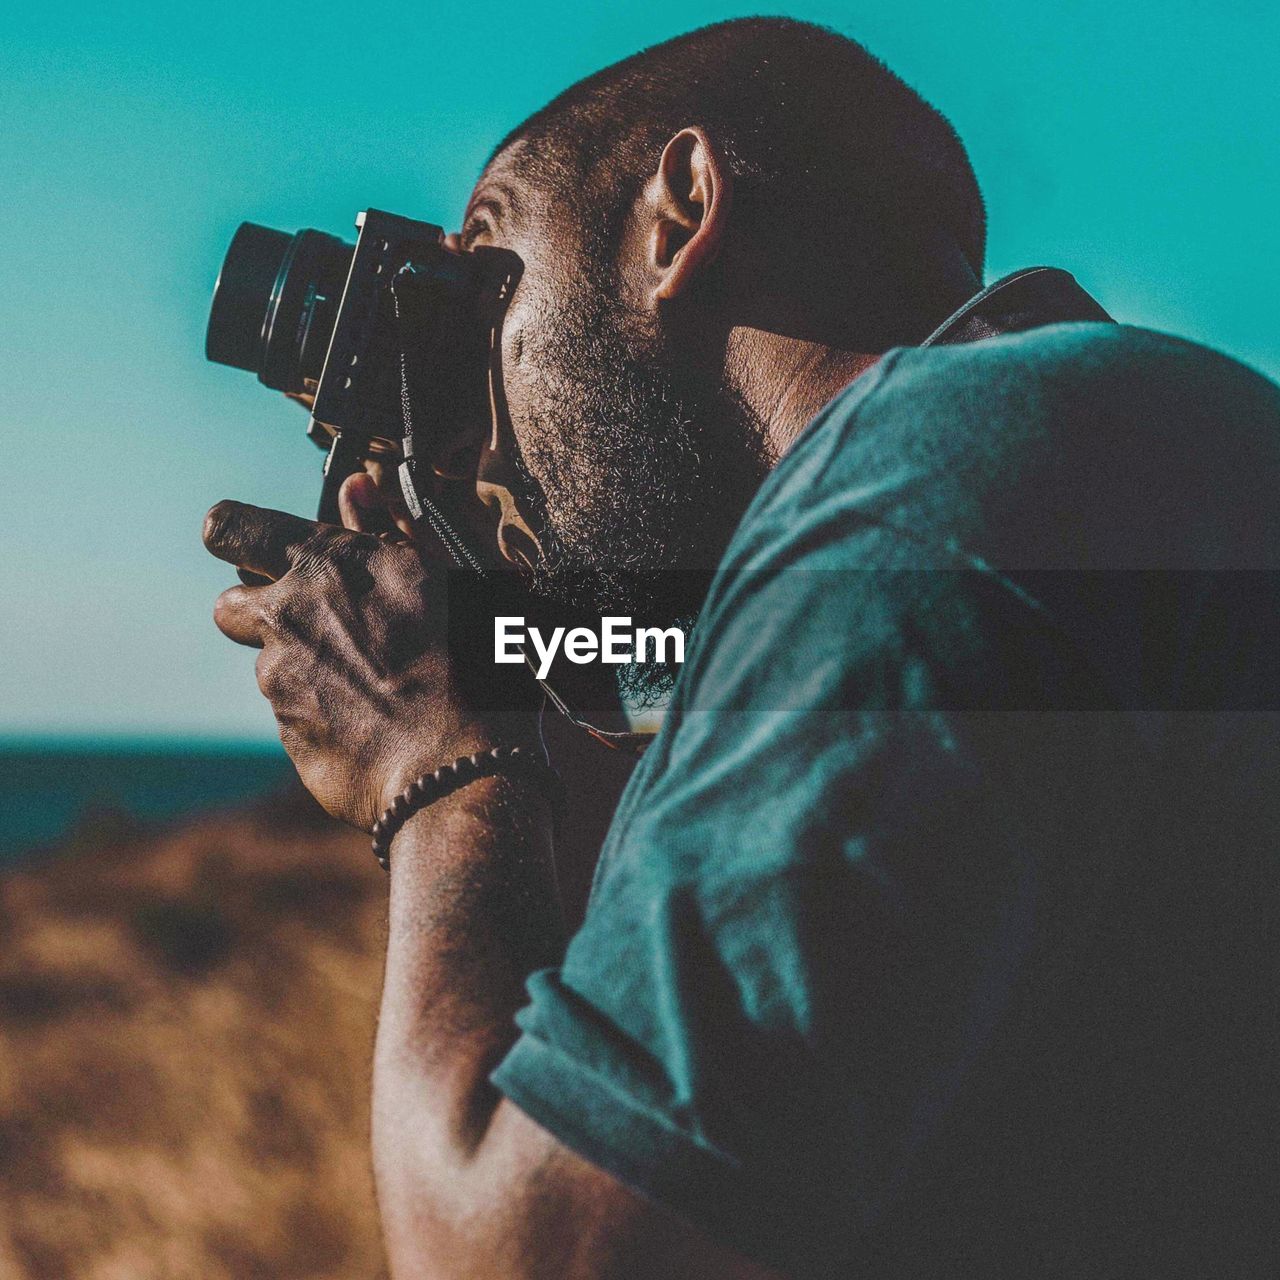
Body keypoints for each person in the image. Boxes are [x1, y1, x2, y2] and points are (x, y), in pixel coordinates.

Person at [202, 18, 1280, 1278]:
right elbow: (638, 686)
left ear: (681, 211)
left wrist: (428, 766)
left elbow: (521, 1255)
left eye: (485, 275)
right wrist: (461, 576)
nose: (474, 394)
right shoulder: (1072, 465)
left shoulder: (932, 476)